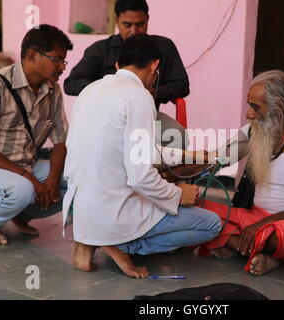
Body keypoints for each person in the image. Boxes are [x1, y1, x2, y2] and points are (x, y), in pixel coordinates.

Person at [63, 34, 221, 279]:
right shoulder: (140, 97)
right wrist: (178, 194)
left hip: (81, 207)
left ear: (117, 65)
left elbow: (131, 148)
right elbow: (140, 177)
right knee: (211, 223)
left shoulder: (90, 90)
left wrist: (187, 156)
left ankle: (90, 239)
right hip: (113, 210)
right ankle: (122, 246)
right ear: (154, 66)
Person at [198, 70, 284, 276]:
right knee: (195, 212)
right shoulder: (252, 130)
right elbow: (216, 159)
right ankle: (260, 251)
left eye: (255, 107)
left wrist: (267, 222)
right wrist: (171, 173)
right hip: (251, 218)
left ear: (278, 107)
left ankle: (242, 245)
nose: (248, 114)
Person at [0, 24, 73, 246]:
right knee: (23, 188)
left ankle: (19, 214)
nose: (62, 66)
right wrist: (29, 177)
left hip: (22, 167)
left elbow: (61, 142)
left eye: (63, 61)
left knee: (78, 178)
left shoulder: (53, 90)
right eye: (56, 59)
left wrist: (51, 179)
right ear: (32, 56)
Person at [64, 0, 189, 149]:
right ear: (117, 21)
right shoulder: (101, 50)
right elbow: (70, 84)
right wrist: (108, 89)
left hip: (147, 118)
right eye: (127, 25)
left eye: (140, 24)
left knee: (176, 134)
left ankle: (164, 172)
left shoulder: (163, 47)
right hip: (106, 119)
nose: (134, 31)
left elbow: (182, 85)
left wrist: (154, 92)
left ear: (147, 19)